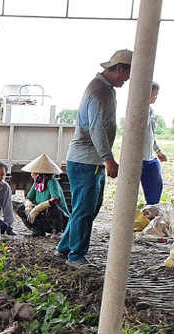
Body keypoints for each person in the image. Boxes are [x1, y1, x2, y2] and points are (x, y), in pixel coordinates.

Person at [57, 48, 132, 269]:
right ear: (119, 68)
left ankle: (65, 248)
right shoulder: (101, 92)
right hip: (86, 159)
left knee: (88, 206)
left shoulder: (103, 89)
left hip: (89, 159)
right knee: (85, 208)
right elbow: (97, 128)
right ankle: (76, 254)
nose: (127, 80)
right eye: (127, 74)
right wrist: (108, 158)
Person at [22, 154, 70, 236]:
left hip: (59, 219)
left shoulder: (52, 182)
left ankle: (57, 231)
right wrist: (28, 206)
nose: (31, 174)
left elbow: (55, 200)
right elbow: (28, 198)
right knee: (21, 208)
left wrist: (37, 208)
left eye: (33, 172)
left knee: (53, 209)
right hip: (44, 217)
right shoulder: (37, 183)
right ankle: (37, 230)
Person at [141, 82, 167, 206]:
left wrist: (158, 150)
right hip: (138, 159)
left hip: (149, 157)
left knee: (156, 186)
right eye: (154, 94)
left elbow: (150, 134)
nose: (156, 97)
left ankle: (151, 211)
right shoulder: (138, 110)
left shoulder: (150, 111)